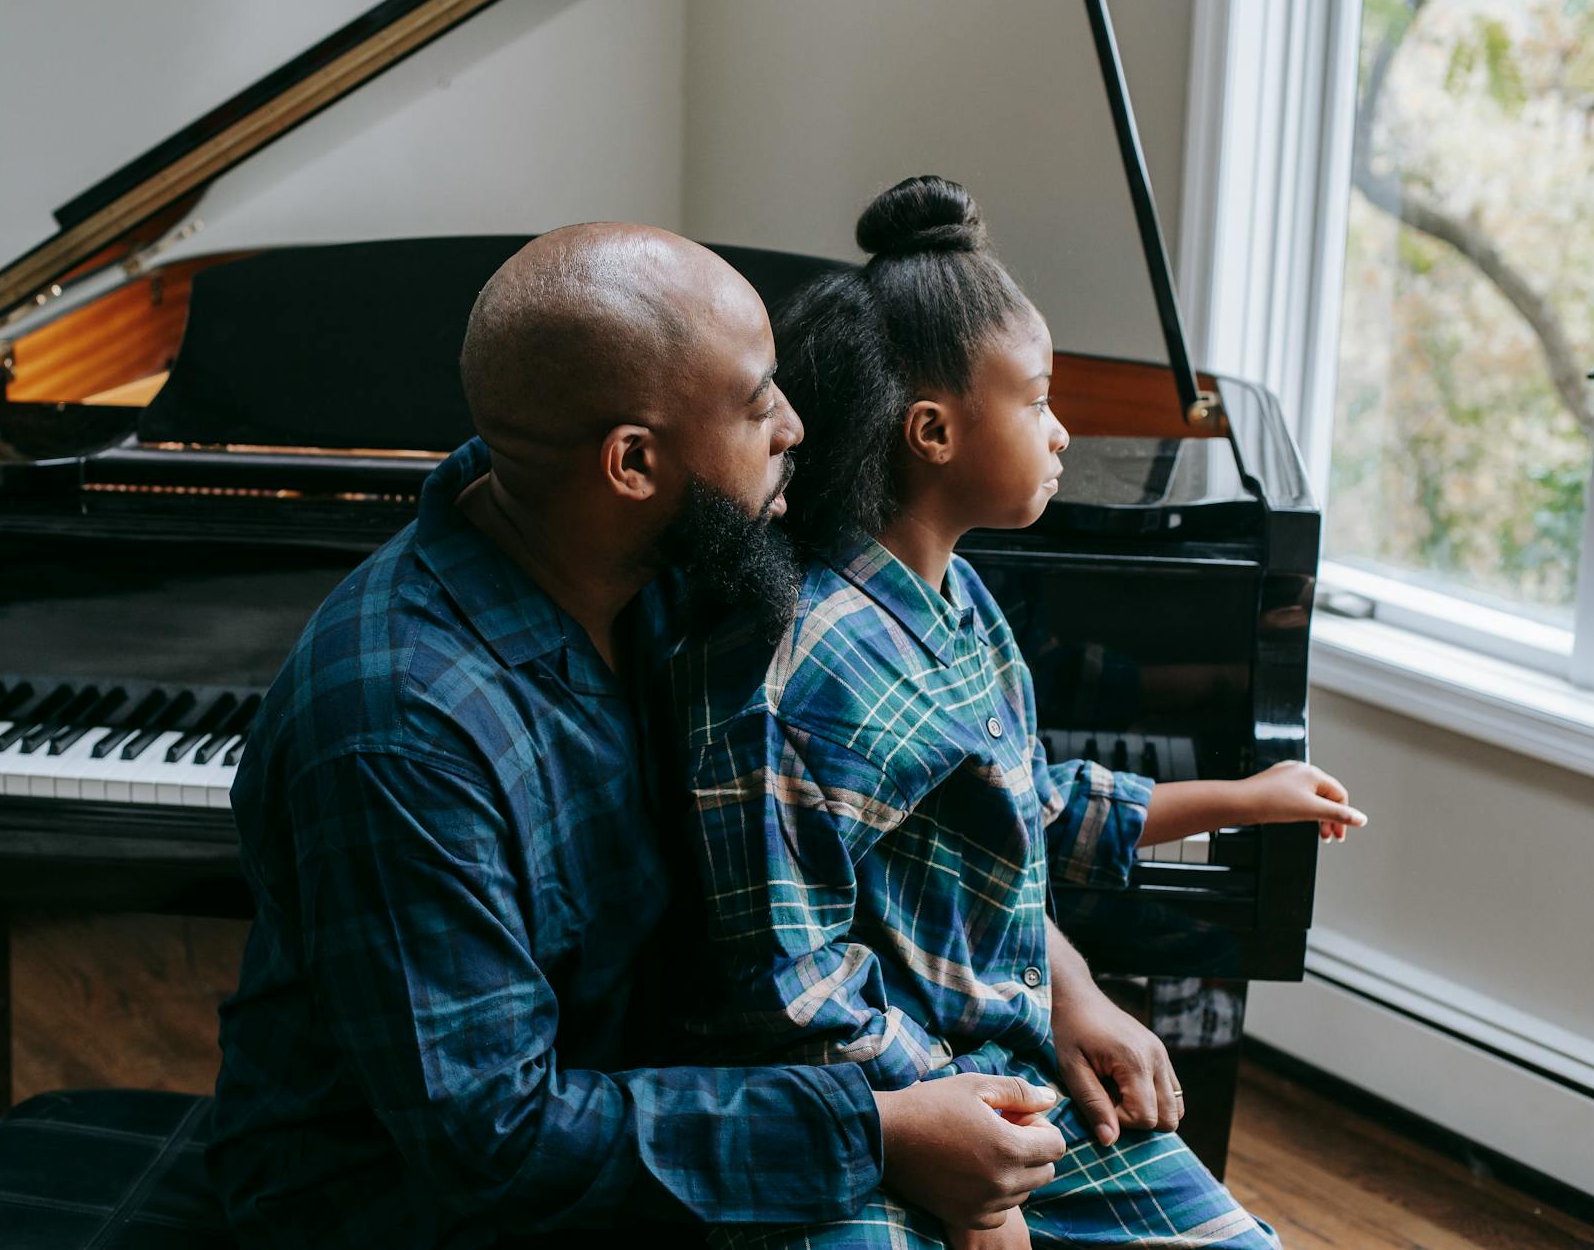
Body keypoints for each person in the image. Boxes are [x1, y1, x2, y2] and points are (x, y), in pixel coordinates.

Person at [206, 222, 1069, 1249]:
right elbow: (494, 1140)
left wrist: (1072, 984)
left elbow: (901, 810)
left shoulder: (675, 555)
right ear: (631, 462)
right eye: (758, 406)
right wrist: (874, 1133)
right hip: (409, 1204)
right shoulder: (400, 732)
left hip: (673, 1092)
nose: (796, 425)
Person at [659, 176, 1367, 1250]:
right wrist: (970, 1154)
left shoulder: (963, 602)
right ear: (933, 431)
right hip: (863, 1110)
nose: (1061, 431)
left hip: (993, 1073)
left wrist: (1242, 794)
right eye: (1036, 398)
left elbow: (1030, 805)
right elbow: (791, 988)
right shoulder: (802, 669)